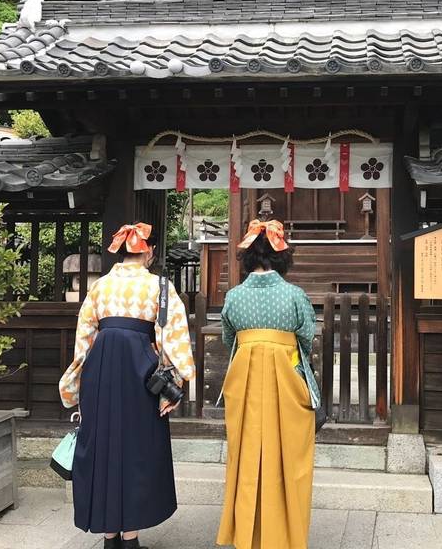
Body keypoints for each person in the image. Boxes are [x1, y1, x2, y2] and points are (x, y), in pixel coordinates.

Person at [59, 222, 195, 549]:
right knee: (138, 449)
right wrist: (175, 383)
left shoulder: (100, 287)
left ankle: (109, 537)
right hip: (141, 372)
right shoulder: (160, 287)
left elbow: (84, 337)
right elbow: (172, 339)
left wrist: (77, 383)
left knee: (103, 446)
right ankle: (131, 538)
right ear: (147, 251)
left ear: (122, 250)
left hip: (100, 369)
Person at [216, 219, 320, 549]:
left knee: (246, 457)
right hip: (287, 380)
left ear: (248, 257)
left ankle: (248, 535)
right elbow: (306, 337)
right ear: (280, 257)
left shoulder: (234, 296)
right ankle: (286, 536)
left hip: (244, 381)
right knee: (290, 458)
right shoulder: (294, 295)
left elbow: (227, 338)